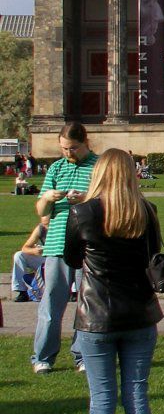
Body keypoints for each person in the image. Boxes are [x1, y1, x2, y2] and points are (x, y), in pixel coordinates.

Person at [59, 148, 164, 414]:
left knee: (102, 396)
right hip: (140, 313)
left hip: (96, 316)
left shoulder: (82, 213)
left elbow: (72, 258)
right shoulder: (145, 212)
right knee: (136, 393)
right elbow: (154, 257)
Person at [32, 122, 97, 374]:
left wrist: (85, 198)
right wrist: (46, 198)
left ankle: (82, 355)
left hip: (87, 244)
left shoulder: (98, 165)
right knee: (50, 303)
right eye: (63, 148)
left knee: (86, 303)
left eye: (73, 148)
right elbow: (41, 212)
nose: (68, 153)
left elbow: (106, 198)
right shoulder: (56, 168)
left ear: (85, 143)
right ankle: (43, 356)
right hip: (57, 243)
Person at [11, 217, 50, 302]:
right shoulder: (41, 228)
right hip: (45, 259)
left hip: (62, 259)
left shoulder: (64, 226)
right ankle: (22, 291)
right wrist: (34, 251)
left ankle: (74, 291)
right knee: (19, 255)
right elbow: (25, 247)